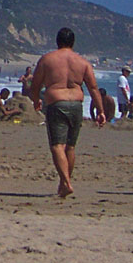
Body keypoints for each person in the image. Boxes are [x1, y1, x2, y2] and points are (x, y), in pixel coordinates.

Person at [28, 28, 105, 198]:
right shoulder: (83, 62)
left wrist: (36, 100)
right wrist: (100, 110)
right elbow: (93, 88)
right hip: (77, 105)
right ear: (73, 42)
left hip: (57, 103)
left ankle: (66, 183)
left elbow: (35, 85)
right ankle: (64, 184)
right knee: (70, 147)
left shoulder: (47, 59)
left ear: (57, 41)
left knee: (57, 145)